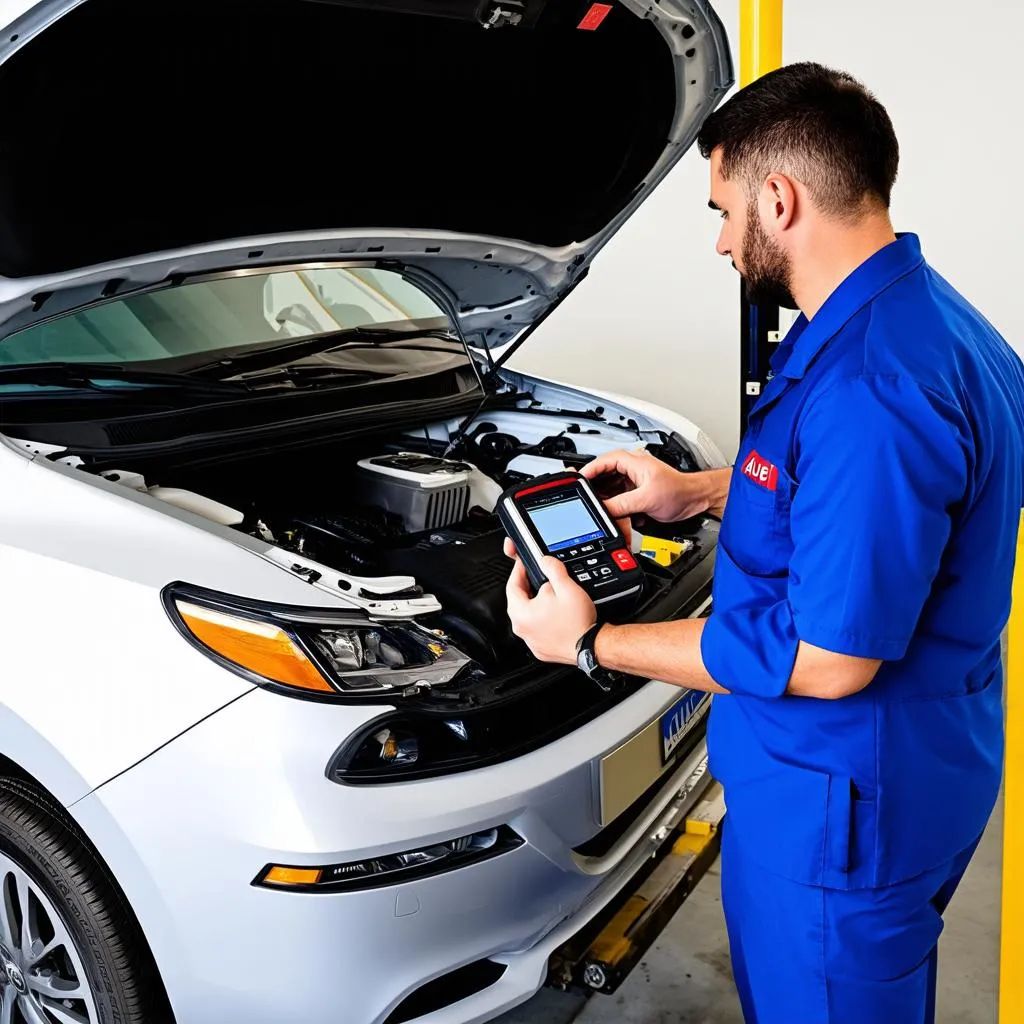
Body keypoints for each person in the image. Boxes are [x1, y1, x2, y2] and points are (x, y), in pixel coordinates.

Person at [504, 61, 1024, 1024]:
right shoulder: (934, 324)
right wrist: (697, 492)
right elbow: (871, 510)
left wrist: (587, 642)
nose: (718, 241)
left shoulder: (871, 386)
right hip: (919, 769)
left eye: (721, 207)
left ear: (777, 198)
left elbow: (828, 660)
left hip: (838, 810)